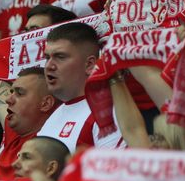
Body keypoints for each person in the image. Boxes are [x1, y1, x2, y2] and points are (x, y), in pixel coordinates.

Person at [38, 22, 123, 153]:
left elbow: (112, 171)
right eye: (47, 58)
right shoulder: (54, 115)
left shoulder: (108, 113)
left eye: (60, 57)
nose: (49, 66)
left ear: (90, 64)